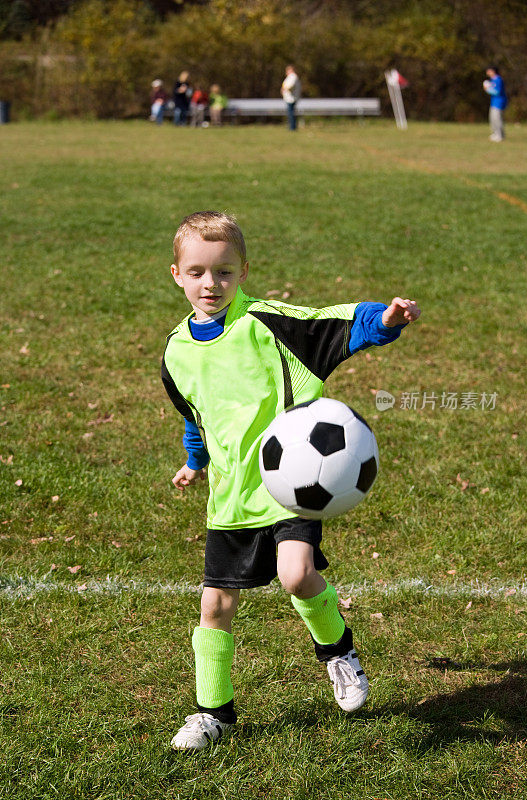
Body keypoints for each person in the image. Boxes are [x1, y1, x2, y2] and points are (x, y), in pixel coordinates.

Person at [162, 211, 421, 752]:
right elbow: (196, 413)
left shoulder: (266, 323)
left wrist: (386, 319)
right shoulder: (176, 353)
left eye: (226, 273)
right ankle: (214, 712)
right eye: (199, 272)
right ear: (177, 275)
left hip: (289, 483)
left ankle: (338, 652)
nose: (212, 284)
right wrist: (197, 459)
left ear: (244, 272)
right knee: (215, 608)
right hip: (230, 496)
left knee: (297, 575)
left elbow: (333, 324)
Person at [483, 66, 507, 142]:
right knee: (492, 119)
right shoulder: (492, 80)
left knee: (497, 119)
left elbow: (497, 92)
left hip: (499, 102)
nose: (487, 72)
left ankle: (500, 135)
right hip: (494, 102)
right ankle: (495, 133)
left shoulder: (498, 79)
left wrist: (487, 89)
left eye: (489, 71)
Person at [281, 65, 301, 131]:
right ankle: (291, 127)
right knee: (291, 113)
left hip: (291, 98)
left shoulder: (293, 76)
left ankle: (292, 127)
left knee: (291, 113)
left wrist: (285, 89)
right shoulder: (291, 77)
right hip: (290, 98)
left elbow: (290, 86)